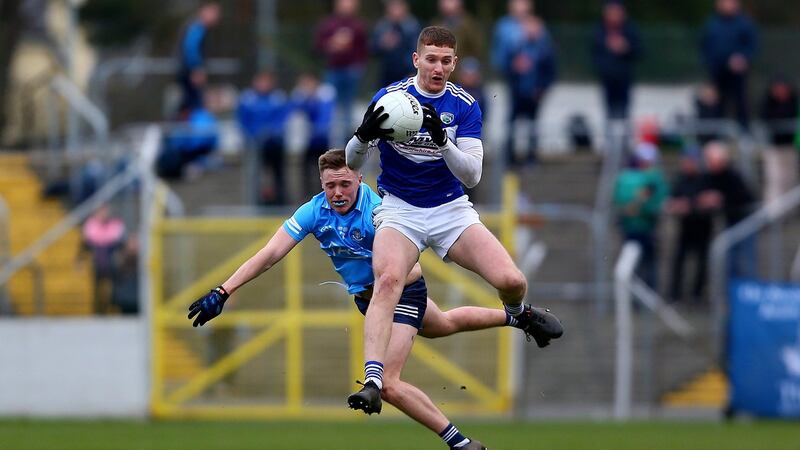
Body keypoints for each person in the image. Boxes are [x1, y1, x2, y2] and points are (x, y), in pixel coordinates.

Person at [188, 150, 556, 450]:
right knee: (443, 324)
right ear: (321, 184)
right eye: (330, 185)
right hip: (370, 302)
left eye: (345, 184)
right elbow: (270, 253)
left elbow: (405, 249)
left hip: (403, 290)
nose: (338, 193)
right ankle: (519, 318)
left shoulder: (380, 210)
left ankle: (460, 444)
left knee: (389, 384)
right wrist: (224, 290)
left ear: (359, 180)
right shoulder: (314, 211)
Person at [345, 26, 563, 417]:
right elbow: (353, 164)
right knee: (389, 280)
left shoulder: (464, 105)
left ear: (454, 63)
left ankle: (518, 313)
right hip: (400, 210)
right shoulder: (390, 99)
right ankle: (374, 381)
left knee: (512, 282)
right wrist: (362, 136)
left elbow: (473, 175)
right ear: (416, 59)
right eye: (431, 58)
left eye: (446, 61)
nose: (438, 67)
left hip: (450, 210)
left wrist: (442, 140)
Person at [612, 142, 669, 289]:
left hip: (637, 226)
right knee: (644, 264)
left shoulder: (626, 177)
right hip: (642, 227)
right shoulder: (652, 178)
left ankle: (641, 296)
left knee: (640, 264)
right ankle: (643, 296)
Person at [502, 14, 556, 166]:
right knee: (512, 125)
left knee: (533, 126)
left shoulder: (545, 50)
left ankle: (531, 157)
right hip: (517, 94)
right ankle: (510, 157)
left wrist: (541, 89)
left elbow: (551, 73)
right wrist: (515, 68)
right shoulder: (516, 48)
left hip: (534, 95)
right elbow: (506, 68)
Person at [700, 141, 758, 279]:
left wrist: (721, 199)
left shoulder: (732, 175)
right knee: (730, 260)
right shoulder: (709, 177)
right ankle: (732, 292)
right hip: (729, 222)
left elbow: (745, 197)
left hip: (744, 222)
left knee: (746, 259)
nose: (708, 163)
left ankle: (748, 289)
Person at [314, 0, 368, 145]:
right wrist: (331, 45)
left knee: (349, 109)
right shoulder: (328, 25)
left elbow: (364, 49)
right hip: (333, 71)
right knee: (332, 108)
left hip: (351, 71)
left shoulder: (358, 26)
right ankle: (334, 146)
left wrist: (359, 66)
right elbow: (317, 47)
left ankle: (348, 146)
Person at [700, 0, 758, 129]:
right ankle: (715, 134)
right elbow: (704, 46)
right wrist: (708, 63)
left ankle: (744, 132)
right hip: (716, 71)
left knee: (740, 102)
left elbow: (752, 46)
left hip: (737, 72)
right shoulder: (712, 23)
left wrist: (742, 58)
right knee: (714, 102)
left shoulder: (744, 24)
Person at [666, 149, 714, 303]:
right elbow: (672, 202)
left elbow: (709, 200)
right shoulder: (680, 180)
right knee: (679, 261)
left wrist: (692, 204)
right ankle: (674, 294)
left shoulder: (706, 179)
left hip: (703, 228)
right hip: (685, 228)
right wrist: (677, 206)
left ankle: (697, 295)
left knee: (702, 264)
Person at [237, 71, 291, 205]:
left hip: (274, 144)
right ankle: (254, 201)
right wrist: (254, 135)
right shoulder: (247, 99)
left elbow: (282, 119)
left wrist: (271, 133)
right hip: (254, 144)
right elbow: (243, 121)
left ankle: (280, 200)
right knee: (254, 174)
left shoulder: (278, 98)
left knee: (278, 172)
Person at [591, 0, 642, 120]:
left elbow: (639, 51)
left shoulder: (630, 30)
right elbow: (594, 54)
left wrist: (626, 48)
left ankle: (624, 136)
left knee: (624, 111)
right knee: (608, 111)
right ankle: (610, 136)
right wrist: (602, 67)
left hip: (624, 77)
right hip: (607, 78)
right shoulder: (599, 30)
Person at [291, 72, 337, 198]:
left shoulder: (325, 94)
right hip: (308, 140)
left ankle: (325, 194)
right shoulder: (302, 96)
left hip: (323, 140)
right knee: (306, 168)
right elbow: (296, 109)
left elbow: (324, 117)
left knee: (325, 168)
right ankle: (307, 196)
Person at [176, 2, 221, 115]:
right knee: (193, 104)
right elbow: (191, 47)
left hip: (187, 71)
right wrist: (196, 69)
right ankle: (184, 129)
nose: (217, 16)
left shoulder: (198, 27)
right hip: (189, 72)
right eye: (214, 12)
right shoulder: (197, 27)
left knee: (189, 102)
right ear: (204, 11)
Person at [760, 78, 799, 203]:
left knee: (790, 179)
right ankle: (774, 213)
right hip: (774, 148)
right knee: (775, 180)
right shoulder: (768, 103)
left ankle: (789, 211)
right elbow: (767, 119)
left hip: (790, 146)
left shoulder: (793, 101)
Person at [81, 205, 126, 314]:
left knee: (113, 287)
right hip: (97, 263)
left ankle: (113, 306)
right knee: (97, 289)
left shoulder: (115, 225)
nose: (103, 214)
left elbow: (120, 245)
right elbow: (86, 245)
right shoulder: (91, 226)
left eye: (105, 211)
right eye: (101, 212)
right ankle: (98, 310)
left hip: (111, 263)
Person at [370, 0, 421, 89]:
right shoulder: (382, 26)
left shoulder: (413, 25)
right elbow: (372, 49)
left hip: (406, 73)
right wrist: (383, 44)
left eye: (398, 7)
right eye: (393, 7)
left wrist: (413, 70)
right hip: (386, 74)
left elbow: (417, 49)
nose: (396, 11)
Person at [490, 0, 534, 76]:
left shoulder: (535, 25)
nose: (521, 9)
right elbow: (498, 50)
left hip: (531, 71)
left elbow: (544, 50)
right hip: (507, 71)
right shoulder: (503, 26)